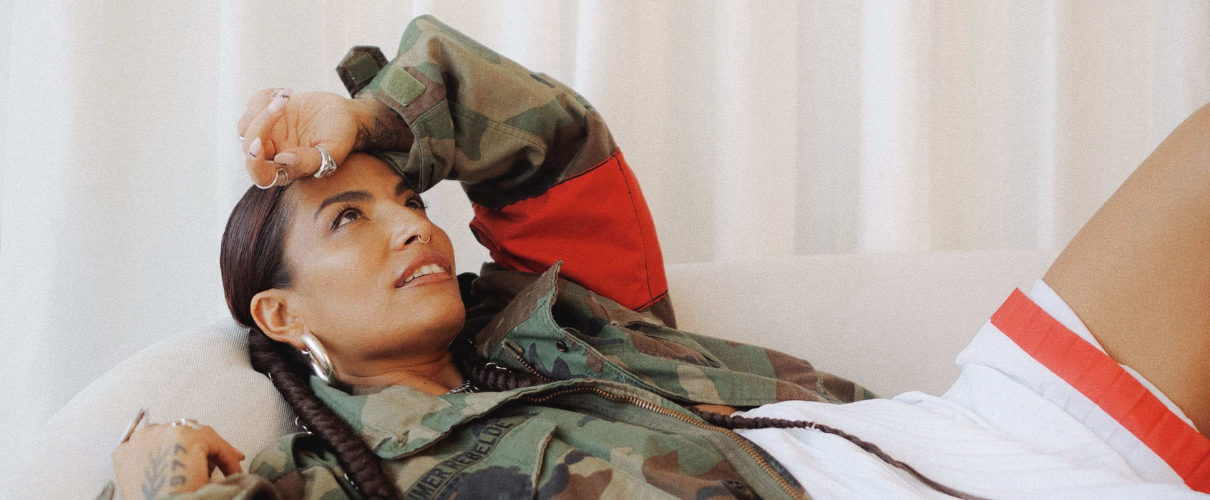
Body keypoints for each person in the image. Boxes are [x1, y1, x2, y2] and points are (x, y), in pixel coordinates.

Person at [108, 15, 1210, 500]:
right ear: (282, 315)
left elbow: (554, 144)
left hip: (963, 434)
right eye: (348, 220)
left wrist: (370, 123)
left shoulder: (554, 313)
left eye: (406, 199)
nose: (412, 226)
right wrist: (151, 472)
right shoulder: (355, 479)